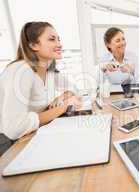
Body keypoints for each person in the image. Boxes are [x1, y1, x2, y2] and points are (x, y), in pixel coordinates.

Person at [0, 22, 82, 154]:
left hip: (31, 135)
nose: (59, 44)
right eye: (52, 39)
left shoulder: (48, 71)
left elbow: (75, 89)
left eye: (58, 39)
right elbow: (15, 128)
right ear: (33, 45)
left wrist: (63, 96)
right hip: (7, 144)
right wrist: (64, 106)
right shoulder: (20, 70)